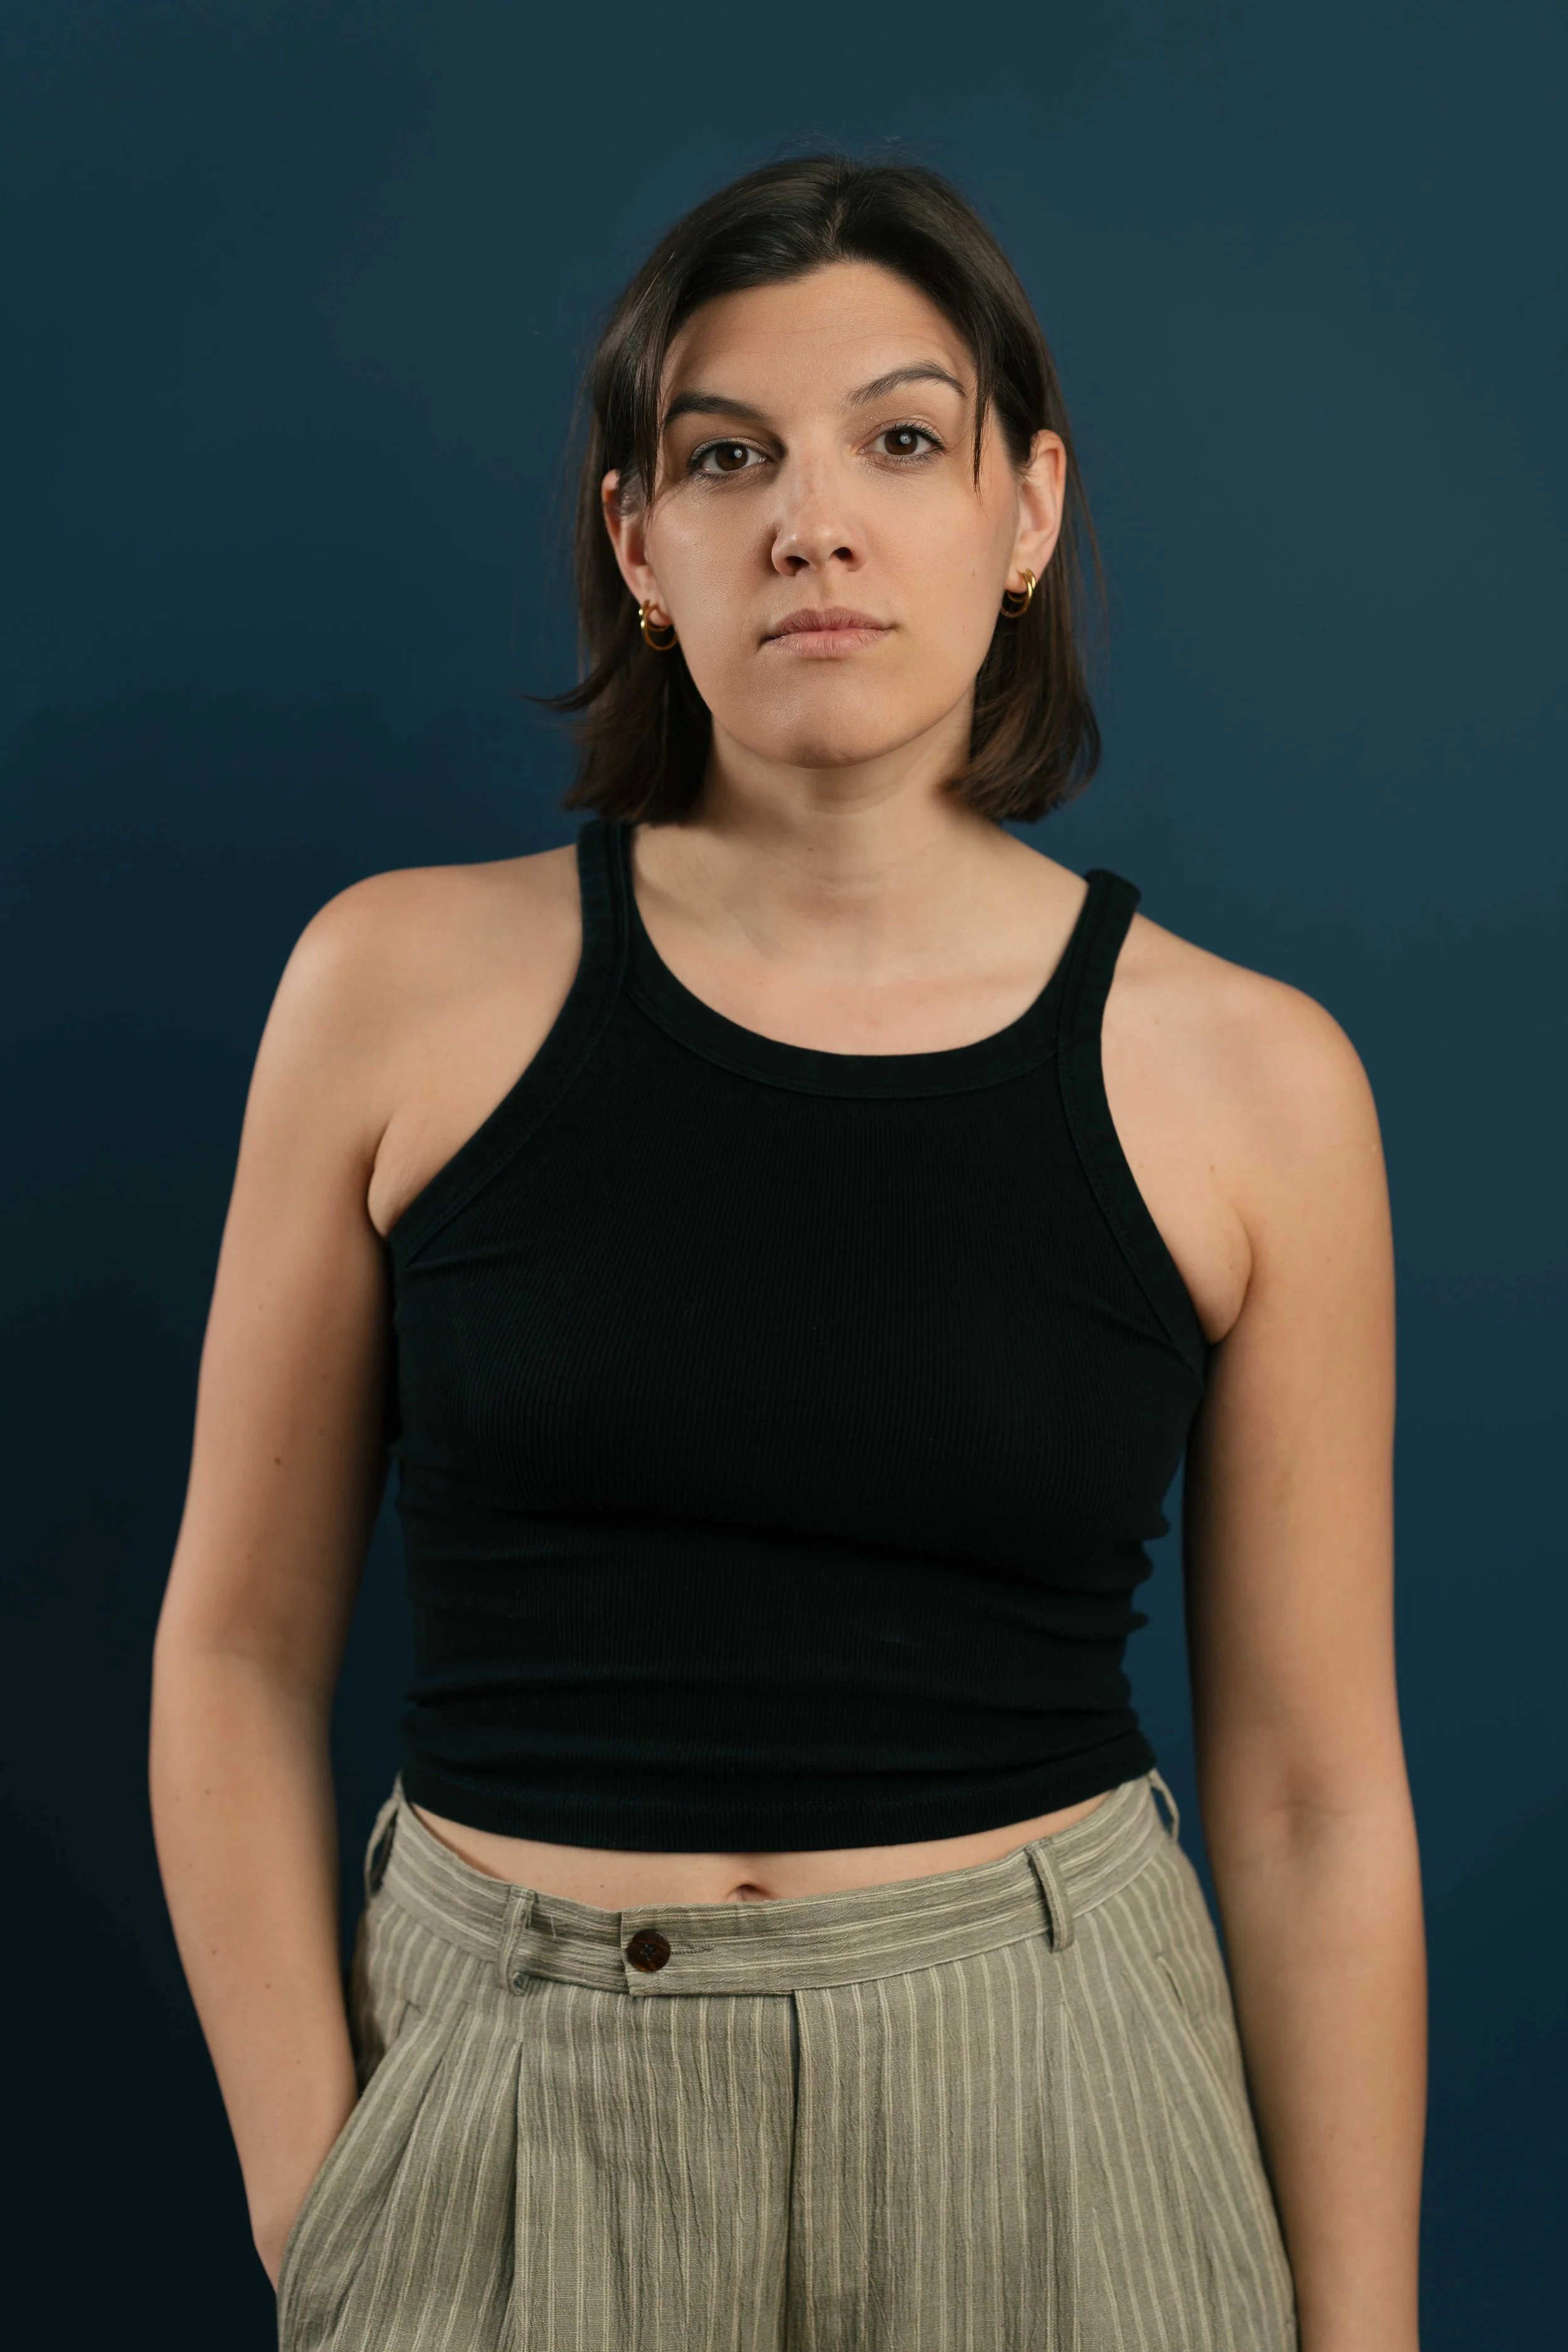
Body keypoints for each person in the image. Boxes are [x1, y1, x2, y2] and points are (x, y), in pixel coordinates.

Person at [150, 155, 1424, 2352]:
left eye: (900, 441)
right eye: (726, 456)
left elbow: (1313, 1799)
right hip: (512, 2118)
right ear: (638, 545)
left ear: (1027, 513)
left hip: (1058, 2125)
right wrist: (321, 2197)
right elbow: (237, 1653)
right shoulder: (395, 989)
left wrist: (1366, 2331)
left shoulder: (1254, 1082)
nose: (809, 523)